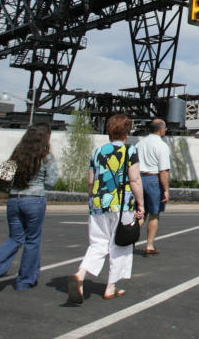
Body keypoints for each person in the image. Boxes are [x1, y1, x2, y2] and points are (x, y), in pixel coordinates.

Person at [68, 114, 144, 303]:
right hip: (121, 204)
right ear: (127, 132)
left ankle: (80, 274)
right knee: (120, 244)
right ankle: (110, 287)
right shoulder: (130, 150)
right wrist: (141, 204)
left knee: (97, 244)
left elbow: (91, 181)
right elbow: (134, 179)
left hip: (98, 204)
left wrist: (93, 200)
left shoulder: (98, 152)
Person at [0, 125, 58, 294]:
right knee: (32, 240)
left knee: (15, 238)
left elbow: (4, 178)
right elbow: (52, 181)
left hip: (14, 199)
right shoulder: (46, 157)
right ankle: (25, 280)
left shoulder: (16, 157)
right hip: (35, 200)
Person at [136, 118, 170, 256]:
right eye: (165, 128)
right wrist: (166, 190)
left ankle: (129, 241)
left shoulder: (139, 144)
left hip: (138, 179)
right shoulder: (162, 146)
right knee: (154, 214)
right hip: (153, 179)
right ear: (161, 129)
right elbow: (164, 171)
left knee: (139, 213)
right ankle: (149, 245)